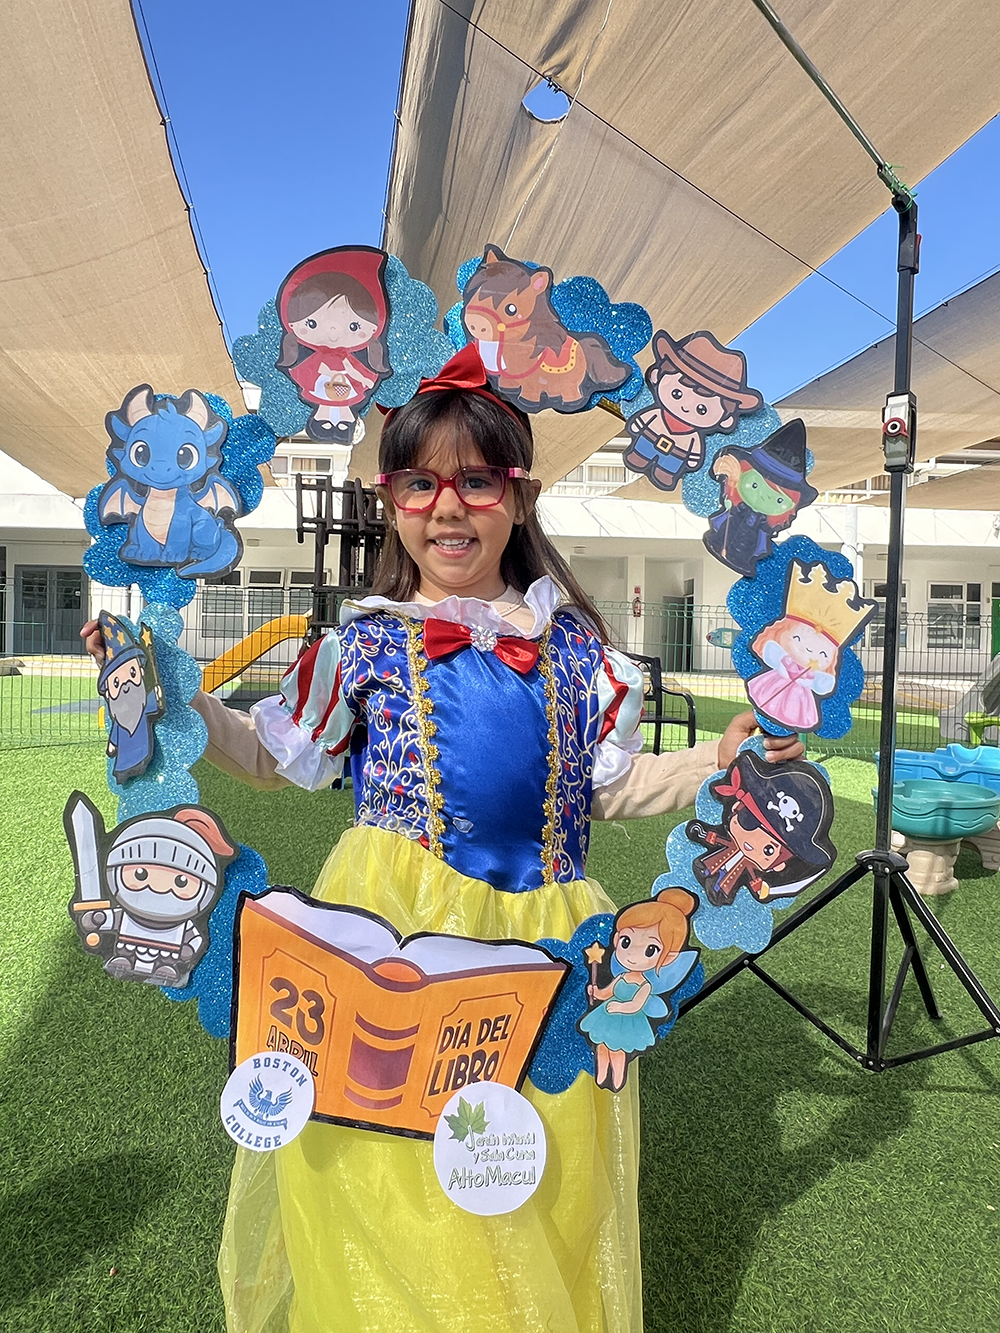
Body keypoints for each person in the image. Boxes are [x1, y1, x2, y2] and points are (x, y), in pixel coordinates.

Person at [82, 343, 802, 1333]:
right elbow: (270, 756)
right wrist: (178, 697)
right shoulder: (364, 643)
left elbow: (611, 785)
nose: (447, 506)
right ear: (390, 501)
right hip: (392, 926)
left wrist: (714, 760)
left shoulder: (578, 652)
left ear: (521, 495)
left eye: (475, 480)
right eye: (419, 484)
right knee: (384, 1163)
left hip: (541, 935)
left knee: (533, 1159)